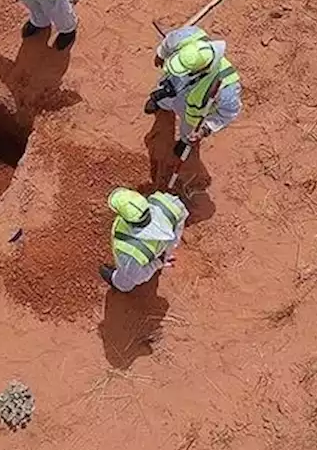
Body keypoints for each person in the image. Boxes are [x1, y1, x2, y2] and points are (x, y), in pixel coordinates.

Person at [144, 25, 242, 156]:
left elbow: (228, 113)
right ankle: (159, 103)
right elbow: (169, 40)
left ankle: (184, 142)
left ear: (201, 69)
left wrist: (206, 129)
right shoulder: (189, 36)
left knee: (189, 131)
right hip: (173, 86)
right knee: (164, 94)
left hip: (191, 114)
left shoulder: (226, 88)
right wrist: (161, 54)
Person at [99, 187, 189, 292]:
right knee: (161, 254)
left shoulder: (129, 252)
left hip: (146, 259)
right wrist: (167, 252)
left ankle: (119, 283)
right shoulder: (168, 202)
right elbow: (179, 224)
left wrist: (158, 262)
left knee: (126, 280)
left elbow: (138, 277)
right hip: (163, 247)